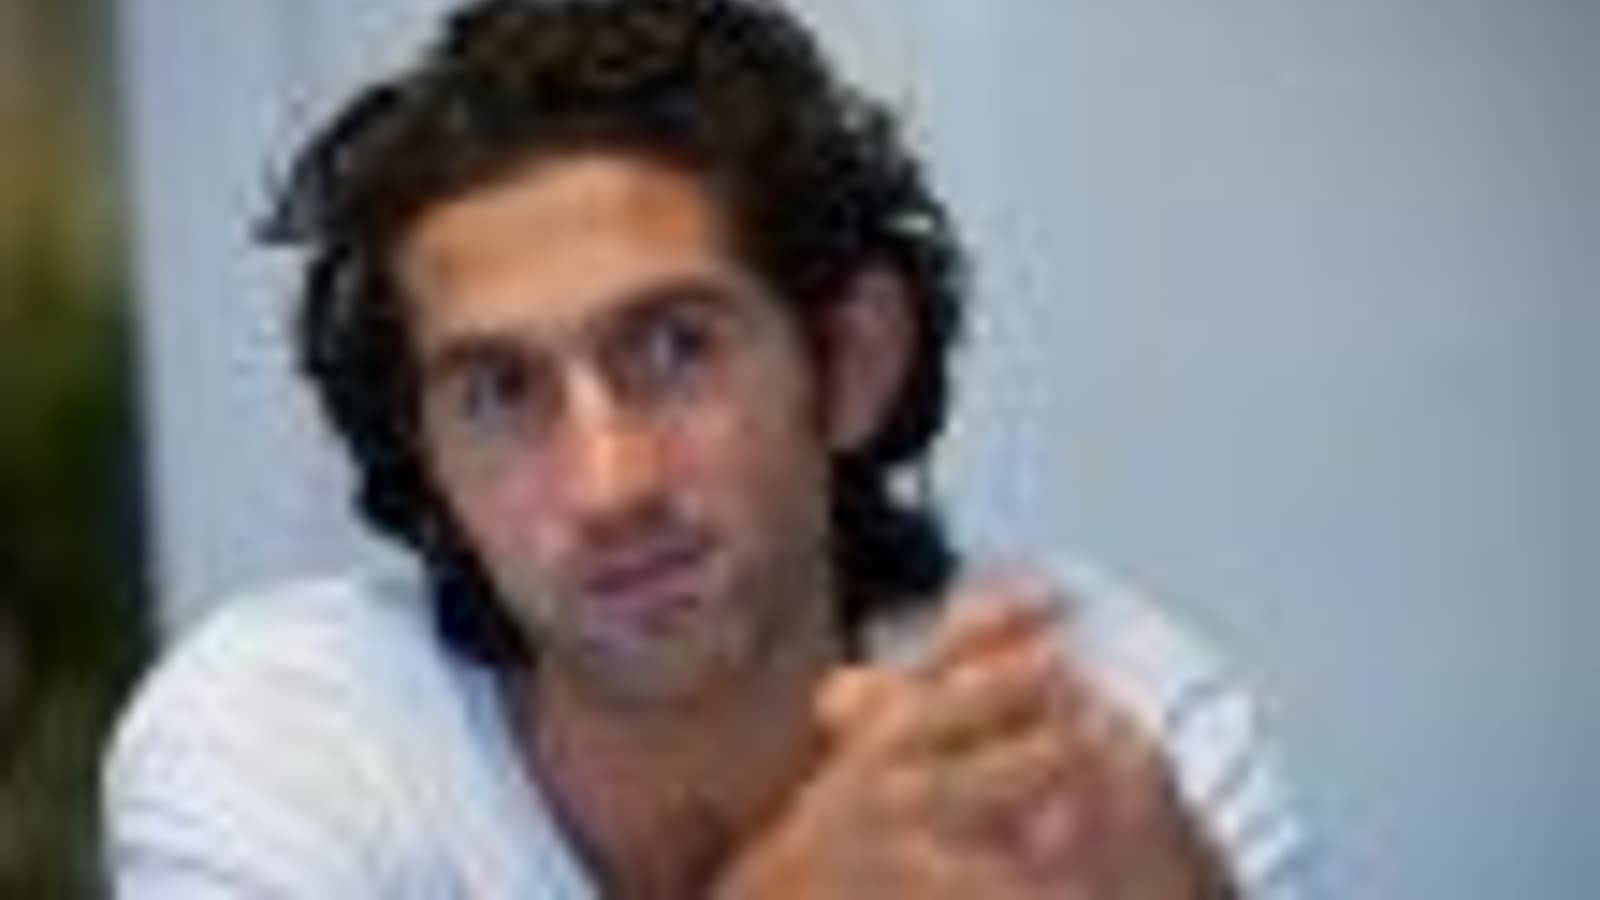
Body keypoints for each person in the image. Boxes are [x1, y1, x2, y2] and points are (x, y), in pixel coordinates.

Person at [104, 1, 1309, 897]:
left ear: (850, 363)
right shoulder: (287, 744)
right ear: (426, 460)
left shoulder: (1106, 721)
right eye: (500, 392)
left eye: (675, 348)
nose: (608, 485)